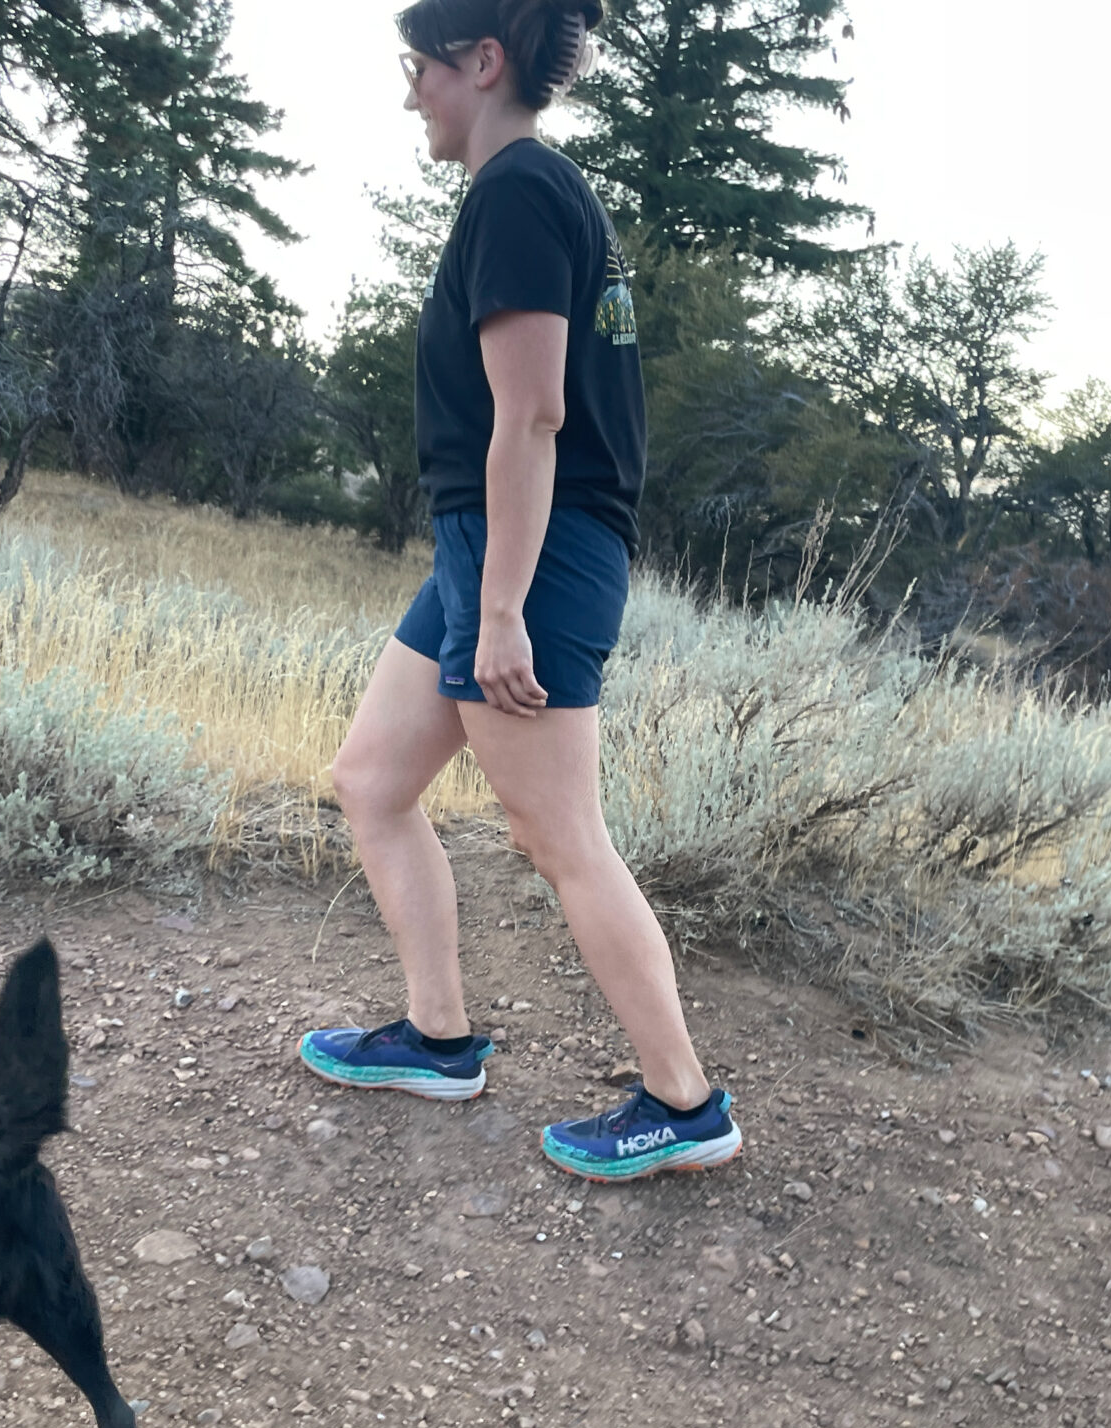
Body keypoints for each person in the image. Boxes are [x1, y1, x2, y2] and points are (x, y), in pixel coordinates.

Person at [297, 0, 740, 1184]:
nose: (410, 95)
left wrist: (499, 609)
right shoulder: (533, 194)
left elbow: (534, 416)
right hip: (488, 547)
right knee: (373, 782)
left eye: (420, 70)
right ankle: (437, 1039)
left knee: (559, 837)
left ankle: (683, 1103)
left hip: (527, 557)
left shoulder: (519, 194)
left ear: (482, 62)